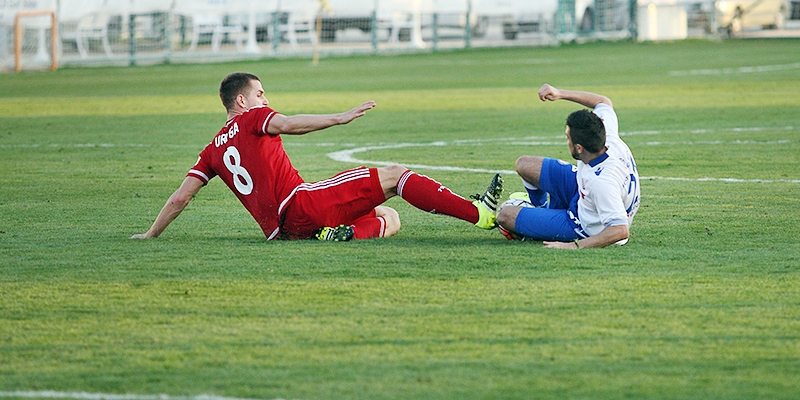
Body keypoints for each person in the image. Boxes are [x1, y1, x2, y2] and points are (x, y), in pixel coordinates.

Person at [131, 72, 503, 241]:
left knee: (389, 217)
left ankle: (340, 234)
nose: (265, 99)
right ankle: (480, 213)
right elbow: (289, 124)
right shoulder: (252, 118)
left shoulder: (212, 150)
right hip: (301, 204)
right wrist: (339, 117)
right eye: (260, 94)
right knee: (395, 174)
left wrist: (151, 234)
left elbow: (181, 198)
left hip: (284, 232)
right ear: (241, 101)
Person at [495, 84, 640, 249]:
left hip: (585, 224)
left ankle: (537, 222)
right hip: (583, 194)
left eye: (567, 137)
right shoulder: (605, 136)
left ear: (579, 148)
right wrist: (559, 94)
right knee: (525, 164)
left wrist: (573, 246)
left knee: (505, 215)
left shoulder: (602, 182)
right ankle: (539, 210)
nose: (566, 141)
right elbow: (603, 101)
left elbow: (620, 231)